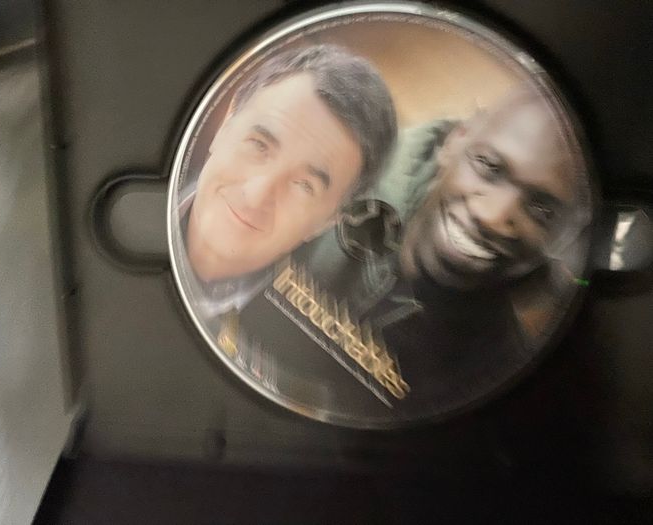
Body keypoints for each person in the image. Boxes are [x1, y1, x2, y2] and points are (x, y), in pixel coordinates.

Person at [306, 86, 592, 418]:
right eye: (489, 166)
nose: (492, 216)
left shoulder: (501, 370)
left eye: (542, 211)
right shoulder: (329, 177)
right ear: (456, 139)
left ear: (568, 237)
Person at [176, 44, 397, 319]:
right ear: (225, 126)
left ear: (327, 221)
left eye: (304, 185)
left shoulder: (298, 339)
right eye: (259, 145)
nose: (256, 195)